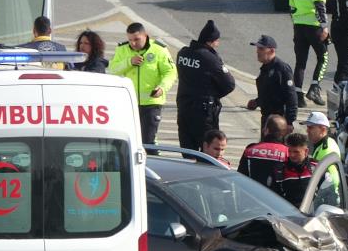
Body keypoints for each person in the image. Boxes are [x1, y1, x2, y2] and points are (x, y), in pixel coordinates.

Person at [108, 22, 178, 149]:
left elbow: (170, 72)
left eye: (136, 39)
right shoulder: (122, 49)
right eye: (130, 40)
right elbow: (112, 70)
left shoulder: (159, 49)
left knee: (148, 141)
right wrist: (129, 62)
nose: (133, 43)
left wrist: (162, 87)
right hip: (128, 103)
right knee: (125, 141)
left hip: (151, 103)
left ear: (146, 36)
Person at [176, 20, 237, 152]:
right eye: (217, 41)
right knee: (208, 149)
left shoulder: (183, 53)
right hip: (203, 112)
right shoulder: (210, 58)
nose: (218, 44)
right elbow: (229, 84)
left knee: (187, 148)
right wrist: (213, 94)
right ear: (210, 41)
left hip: (184, 107)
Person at [290, 0, 330, 107]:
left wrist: (296, 25)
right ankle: (314, 88)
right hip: (314, 26)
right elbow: (320, 6)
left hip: (299, 27)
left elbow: (292, 9)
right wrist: (324, 27)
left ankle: (298, 96)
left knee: (300, 62)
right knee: (323, 57)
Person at [246, 35, 298, 129]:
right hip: (267, 119)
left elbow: (291, 97)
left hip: (279, 121)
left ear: (272, 51)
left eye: (261, 49)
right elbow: (270, 93)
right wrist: (257, 102)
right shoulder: (265, 67)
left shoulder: (282, 69)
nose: (257, 51)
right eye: (257, 48)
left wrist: (289, 122)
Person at [238, 114, 290, 188]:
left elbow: (241, 176)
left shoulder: (250, 150)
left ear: (266, 130)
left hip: (252, 194)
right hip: (277, 197)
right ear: (285, 133)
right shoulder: (288, 152)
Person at [273, 131, 320, 206]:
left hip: (312, 214)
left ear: (306, 151)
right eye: (289, 151)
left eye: (296, 152)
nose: (292, 155)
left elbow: (328, 194)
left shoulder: (317, 168)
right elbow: (273, 198)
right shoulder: (279, 170)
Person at [305, 111, 341, 195]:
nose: (307, 131)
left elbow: (333, 181)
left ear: (323, 129)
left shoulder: (327, 150)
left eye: (310, 128)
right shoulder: (325, 143)